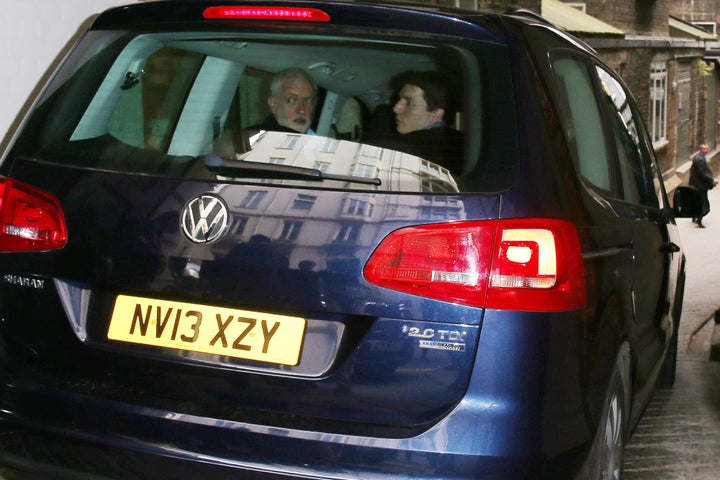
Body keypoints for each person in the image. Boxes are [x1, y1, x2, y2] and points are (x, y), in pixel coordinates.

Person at [365, 70, 464, 170]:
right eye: (399, 100)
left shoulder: (394, 148)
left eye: (409, 103)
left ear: (435, 114)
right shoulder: (464, 145)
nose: (396, 108)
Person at [253, 67, 317, 134]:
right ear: (273, 104)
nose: (301, 110)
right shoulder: (254, 142)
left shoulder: (318, 141)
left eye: (307, 101)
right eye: (291, 100)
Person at [689, 143, 718, 228]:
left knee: (697, 200)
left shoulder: (698, 157)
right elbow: (703, 173)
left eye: (707, 149)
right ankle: (699, 220)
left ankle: (694, 217)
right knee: (704, 203)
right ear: (701, 149)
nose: (706, 150)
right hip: (701, 185)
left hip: (696, 184)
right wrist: (712, 180)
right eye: (704, 149)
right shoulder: (700, 159)